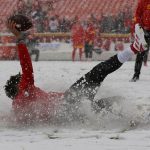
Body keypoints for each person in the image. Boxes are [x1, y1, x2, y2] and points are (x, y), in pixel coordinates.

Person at [5, 20, 147, 125]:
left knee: (105, 105)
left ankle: (133, 120)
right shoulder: (24, 88)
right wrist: (20, 40)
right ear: (18, 84)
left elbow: (12, 121)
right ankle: (135, 48)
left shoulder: (17, 109)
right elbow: (27, 67)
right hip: (68, 103)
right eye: (22, 79)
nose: (26, 79)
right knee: (98, 72)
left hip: (68, 115)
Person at [130, 0, 150, 82]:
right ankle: (136, 75)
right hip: (145, 30)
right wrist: (140, 27)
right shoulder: (142, 2)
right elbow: (137, 15)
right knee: (140, 52)